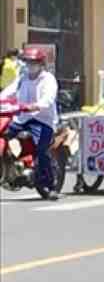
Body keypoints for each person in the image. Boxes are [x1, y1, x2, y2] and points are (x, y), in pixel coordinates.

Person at [3, 46, 60, 195]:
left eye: (34, 62)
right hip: (22, 118)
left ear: (41, 64)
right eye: (28, 62)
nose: (30, 65)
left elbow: (48, 99)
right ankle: (11, 165)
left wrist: (36, 106)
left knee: (41, 150)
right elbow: (8, 92)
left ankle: (50, 184)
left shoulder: (48, 79)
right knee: (4, 133)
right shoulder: (23, 78)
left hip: (43, 120)